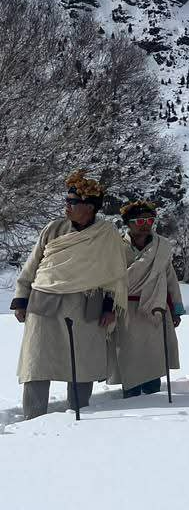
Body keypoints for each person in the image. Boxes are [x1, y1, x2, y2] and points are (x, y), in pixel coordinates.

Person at [10, 170, 128, 419]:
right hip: (45, 304)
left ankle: (79, 416)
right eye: (67, 201)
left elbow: (114, 274)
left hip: (86, 305)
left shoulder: (106, 235)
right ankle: (33, 419)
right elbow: (32, 266)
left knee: (81, 365)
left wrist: (109, 307)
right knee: (38, 364)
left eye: (72, 203)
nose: (67, 207)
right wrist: (21, 298)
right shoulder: (54, 229)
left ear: (89, 207)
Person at [110, 200, 183, 397]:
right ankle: (131, 395)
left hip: (155, 306)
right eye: (140, 221)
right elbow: (108, 279)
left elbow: (170, 279)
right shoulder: (115, 246)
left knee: (153, 354)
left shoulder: (161, 247)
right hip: (125, 307)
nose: (146, 224)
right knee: (128, 355)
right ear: (128, 223)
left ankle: (153, 393)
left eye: (149, 220)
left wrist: (176, 307)